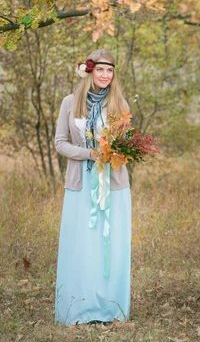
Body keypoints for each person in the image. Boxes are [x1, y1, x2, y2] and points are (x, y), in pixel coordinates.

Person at [54, 49, 132, 325]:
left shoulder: (119, 103)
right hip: (81, 182)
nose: (105, 75)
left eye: (110, 70)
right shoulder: (69, 103)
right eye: (100, 69)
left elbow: (127, 144)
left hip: (113, 184)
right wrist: (88, 154)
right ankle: (79, 306)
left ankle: (109, 307)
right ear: (89, 72)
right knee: (82, 243)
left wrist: (116, 151)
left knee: (110, 244)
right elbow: (60, 142)